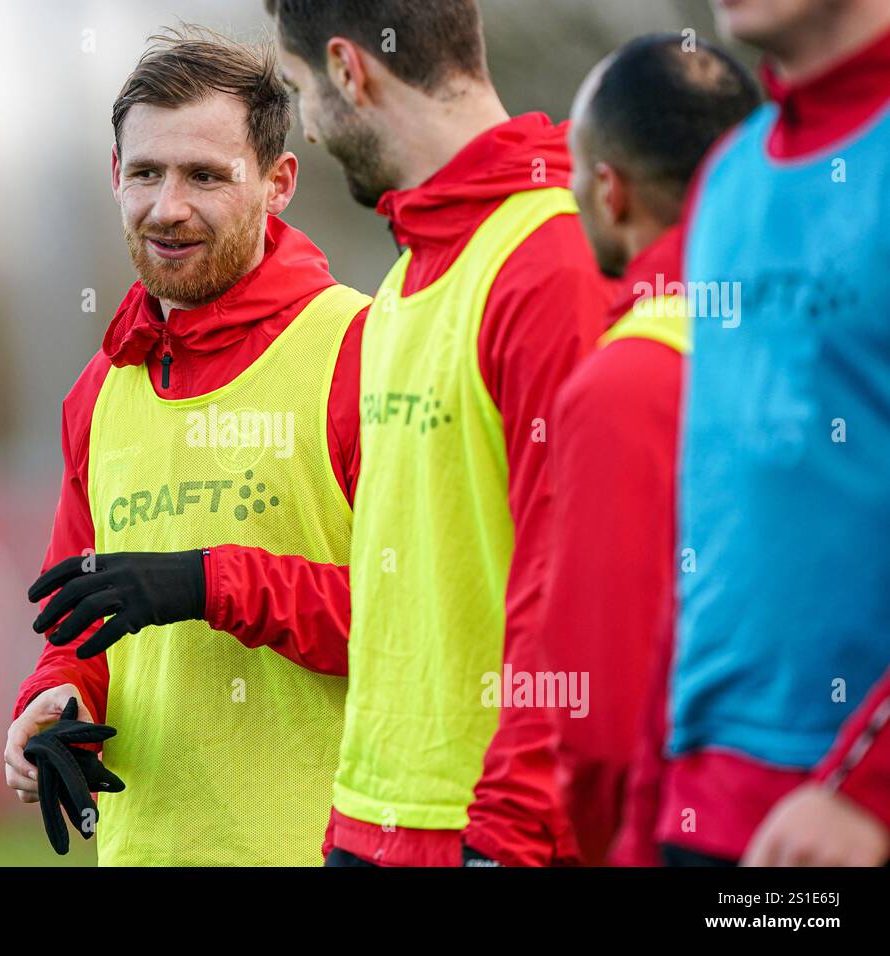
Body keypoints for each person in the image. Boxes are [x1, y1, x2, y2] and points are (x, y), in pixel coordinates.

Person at [2, 27, 371, 865]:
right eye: (146, 173)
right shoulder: (100, 391)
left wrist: (209, 582)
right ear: (114, 177)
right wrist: (54, 702)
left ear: (278, 183)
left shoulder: (361, 350)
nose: (168, 207)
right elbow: (78, 631)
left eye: (206, 175)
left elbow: (419, 622)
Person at [267, 0, 612, 866]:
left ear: (349, 70)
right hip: (374, 819)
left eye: (302, 89)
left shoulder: (551, 259)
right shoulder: (402, 280)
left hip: (492, 836)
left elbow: (576, 578)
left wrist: (513, 830)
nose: (307, 128)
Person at [626, 0, 890, 867]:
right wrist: (642, 820)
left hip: (846, 819)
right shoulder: (729, 177)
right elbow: (709, 513)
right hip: (705, 804)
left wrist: (869, 791)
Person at [545, 33, 760, 866]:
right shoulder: (803, 334)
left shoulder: (624, 381)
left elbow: (602, 714)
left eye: (572, 171)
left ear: (610, 188)